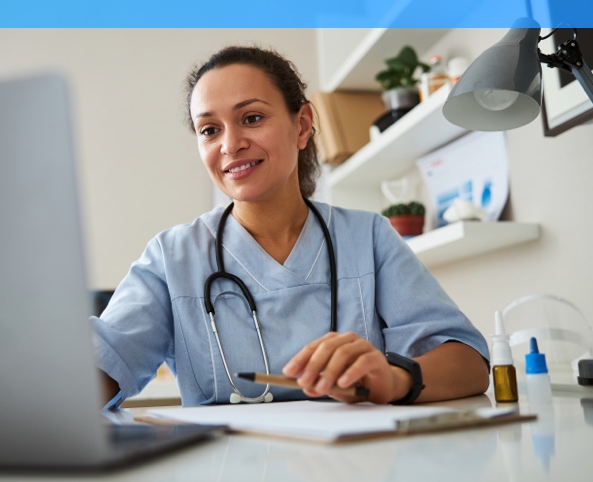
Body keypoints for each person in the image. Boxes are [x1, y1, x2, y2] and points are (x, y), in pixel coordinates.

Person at [92, 45, 490, 408]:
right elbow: (100, 368)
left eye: (251, 118)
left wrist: (394, 378)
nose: (230, 145)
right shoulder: (172, 257)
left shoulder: (368, 238)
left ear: (301, 126)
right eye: (209, 130)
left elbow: (469, 363)